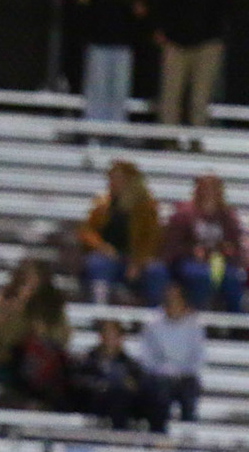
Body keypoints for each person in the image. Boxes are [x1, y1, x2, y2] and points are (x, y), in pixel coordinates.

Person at [0, 258, 71, 410]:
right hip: (12, 356)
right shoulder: (7, 302)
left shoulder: (52, 308)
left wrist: (44, 333)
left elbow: (63, 336)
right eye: (27, 280)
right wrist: (18, 309)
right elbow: (0, 335)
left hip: (44, 357)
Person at [78, 161, 163, 305]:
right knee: (97, 264)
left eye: (118, 179)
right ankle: (99, 307)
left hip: (135, 258)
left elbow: (151, 239)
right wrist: (101, 246)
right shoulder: (103, 204)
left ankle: (153, 311)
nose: (113, 183)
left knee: (156, 271)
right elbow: (86, 231)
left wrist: (137, 262)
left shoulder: (147, 207)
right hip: (109, 256)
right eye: (111, 179)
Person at [158, 175, 244, 312]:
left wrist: (227, 251)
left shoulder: (228, 217)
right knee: (201, 276)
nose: (209, 193)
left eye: (213, 189)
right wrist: (191, 251)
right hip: (190, 261)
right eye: (205, 188)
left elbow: (236, 247)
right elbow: (172, 246)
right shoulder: (184, 214)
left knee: (231, 278)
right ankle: (198, 316)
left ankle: (236, 321)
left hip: (218, 261)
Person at [153, 0, 229, 127]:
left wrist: (219, 34)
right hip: (174, 42)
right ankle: (168, 138)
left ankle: (198, 138)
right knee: (169, 99)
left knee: (199, 100)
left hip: (207, 43)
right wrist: (158, 27)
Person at [71, 0, 149, 122]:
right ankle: (94, 130)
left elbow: (139, 10)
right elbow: (83, 4)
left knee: (119, 93)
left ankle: (116, 130)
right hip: (98, 43)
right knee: (97, 92)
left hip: (122, 45)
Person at [133, 282, 204, 429]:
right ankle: (159, 433)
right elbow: (146, 357)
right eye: (169, 298)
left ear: (183, 301)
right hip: (158, 376)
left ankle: (187, 433)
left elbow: (198, 358)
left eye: (176, 299)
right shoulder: (152, 323)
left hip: (185, 377)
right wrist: (165, 371)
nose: (172, 302)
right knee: (160, 390)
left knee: (189, 390)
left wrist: (180, 372)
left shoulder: (194, 325)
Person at [71, 318, 146, 428]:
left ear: (121, 338)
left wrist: (130, 385)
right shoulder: (88, 361)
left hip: (123, 404)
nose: (110, 339)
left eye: (114, 336)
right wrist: (99, 385)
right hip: (94, 402)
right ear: (101, 337)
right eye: (107, 335)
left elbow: (138, 385)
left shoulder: (130, 365)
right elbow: (79, 381)